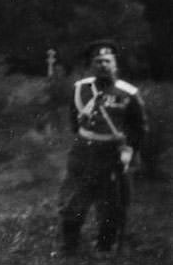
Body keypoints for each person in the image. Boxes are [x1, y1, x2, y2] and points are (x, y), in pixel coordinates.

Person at [57, 39, 147, 256]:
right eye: (98, 61)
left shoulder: (128, 93)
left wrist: (129, 151)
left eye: (107, 61)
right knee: (73, 201)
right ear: (92, 65)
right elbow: (74, 121)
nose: (103, 65)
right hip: (83, 153)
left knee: (110, 206)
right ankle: (69, 248)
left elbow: (138, 127)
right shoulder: (81, 89)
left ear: (115, 64)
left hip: (112, 154)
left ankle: (104, 248)